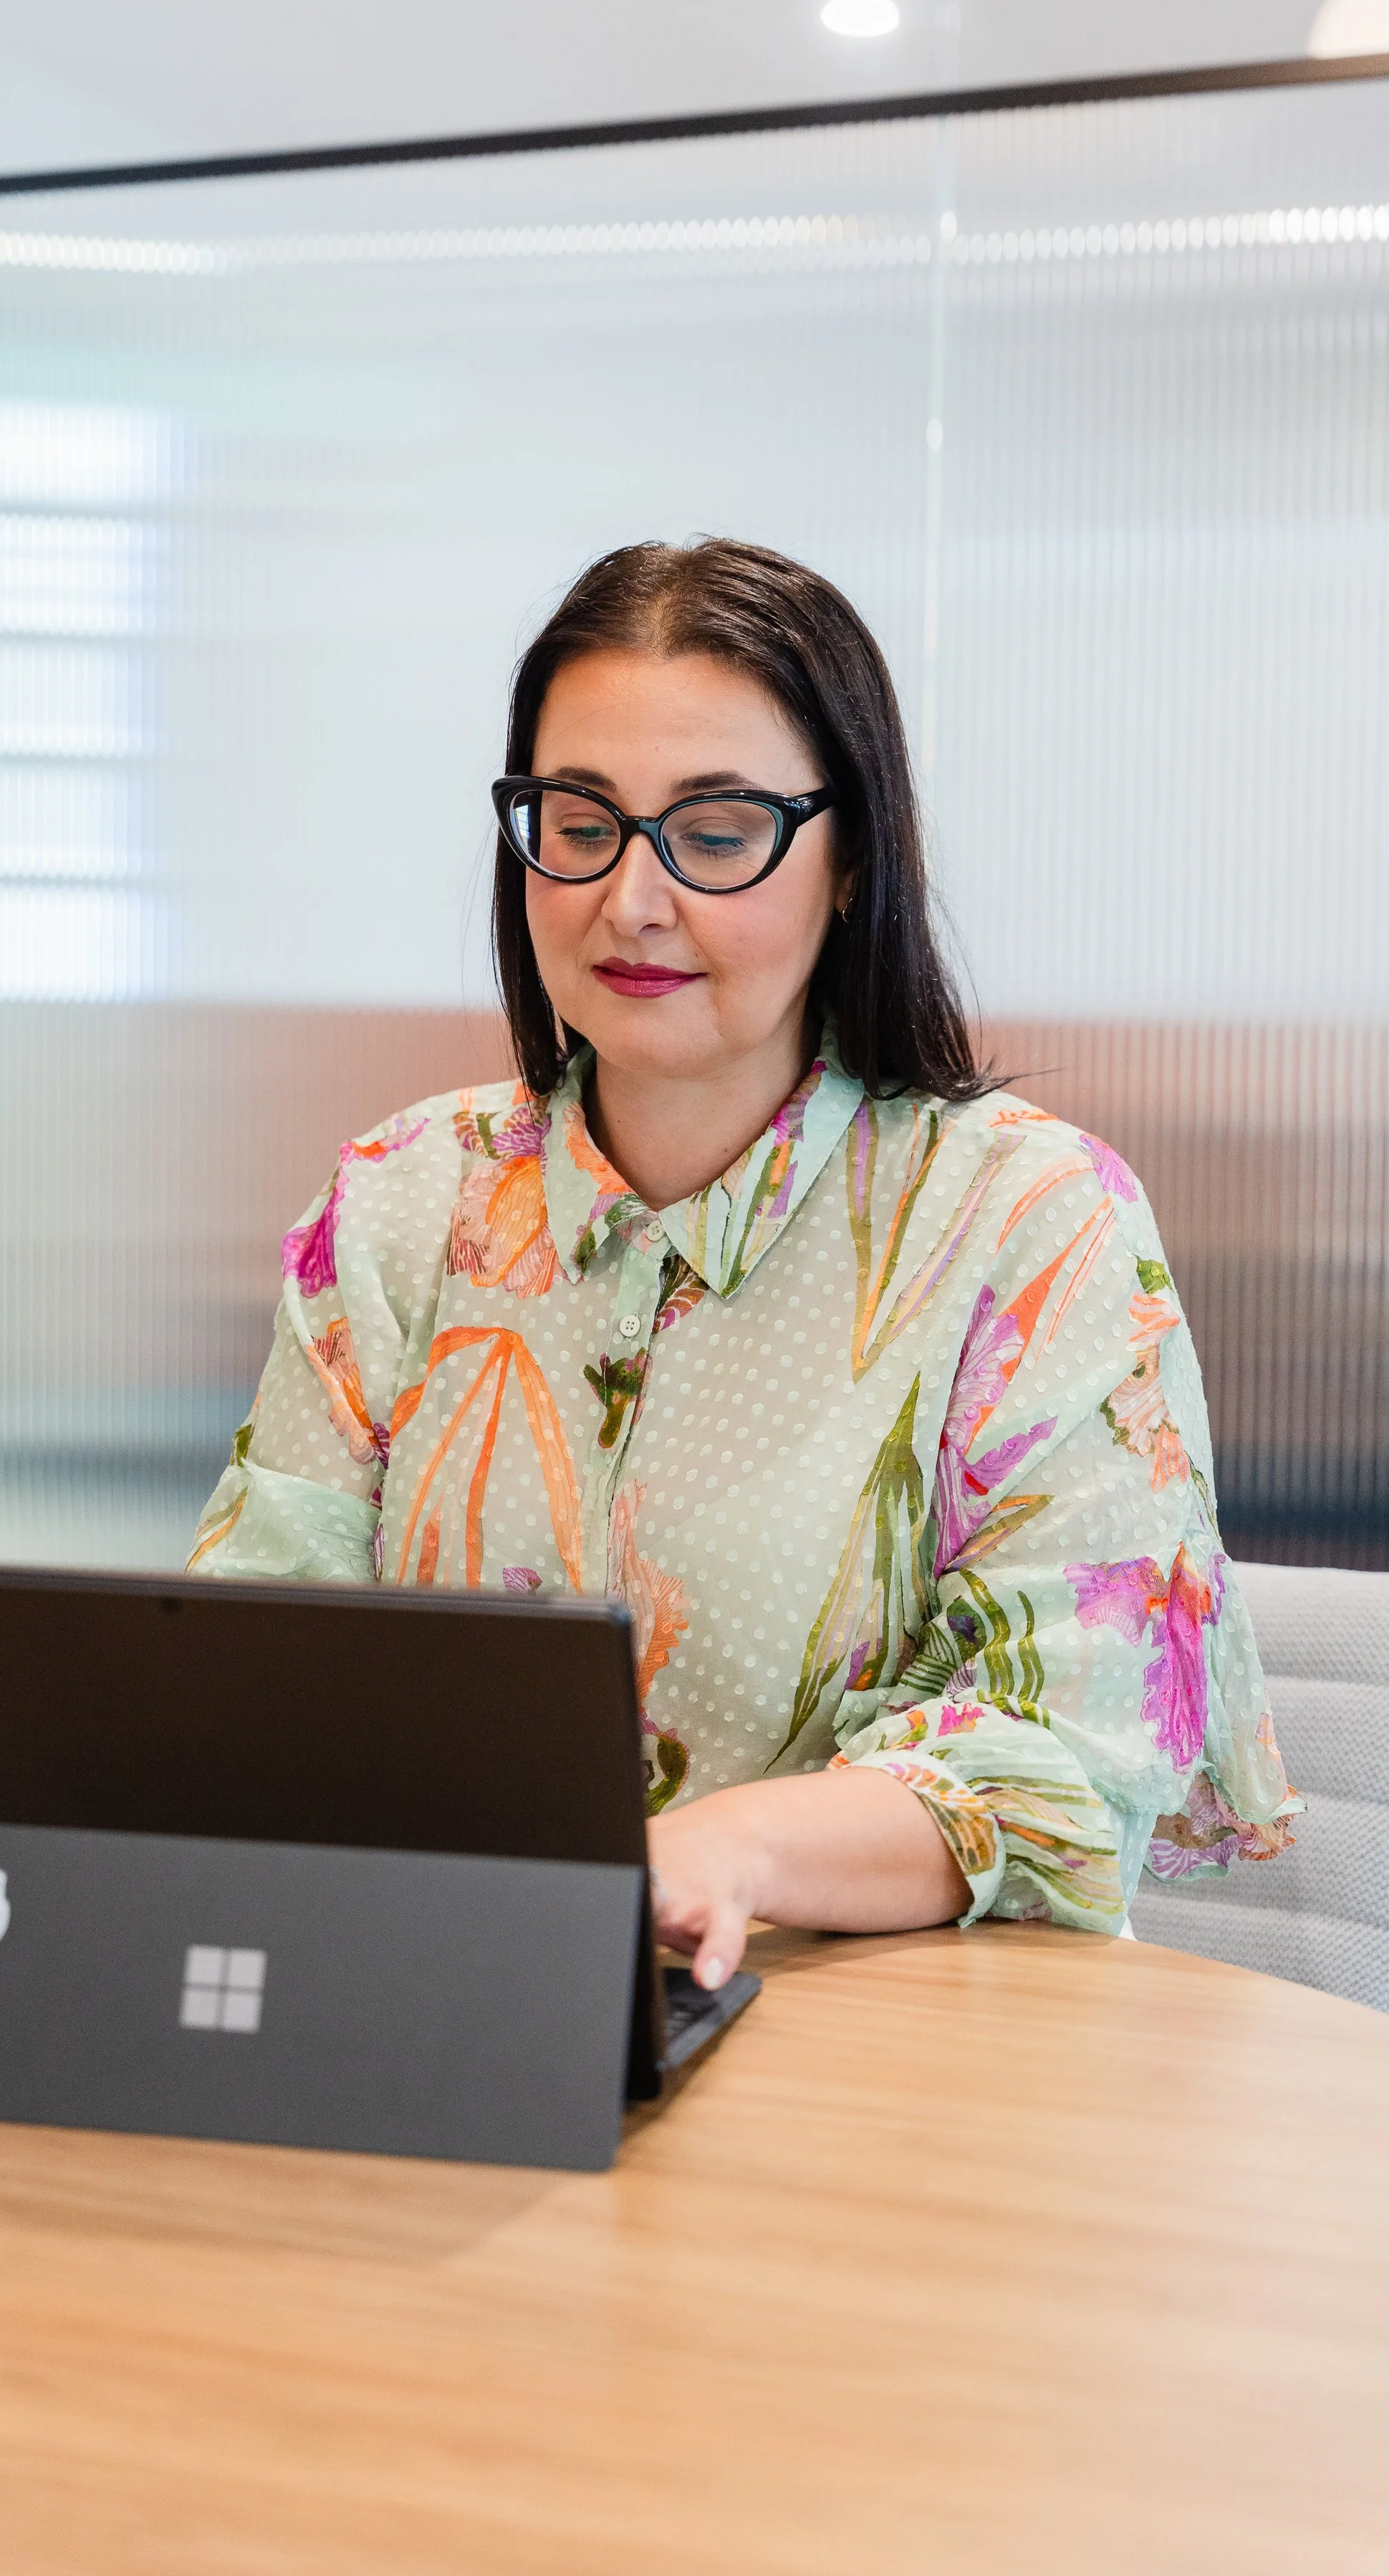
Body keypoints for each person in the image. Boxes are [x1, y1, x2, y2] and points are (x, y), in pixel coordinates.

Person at [188, 537, 1296, 1988]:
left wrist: (733, 1850)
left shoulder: (1027, 1220)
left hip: (901, 2046)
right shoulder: (405, 1198)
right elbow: (253, 1665)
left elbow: (1069, 1767)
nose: (628, 900)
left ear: (848, 863)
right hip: (458, 2000)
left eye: (714, 833)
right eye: (574, 821)